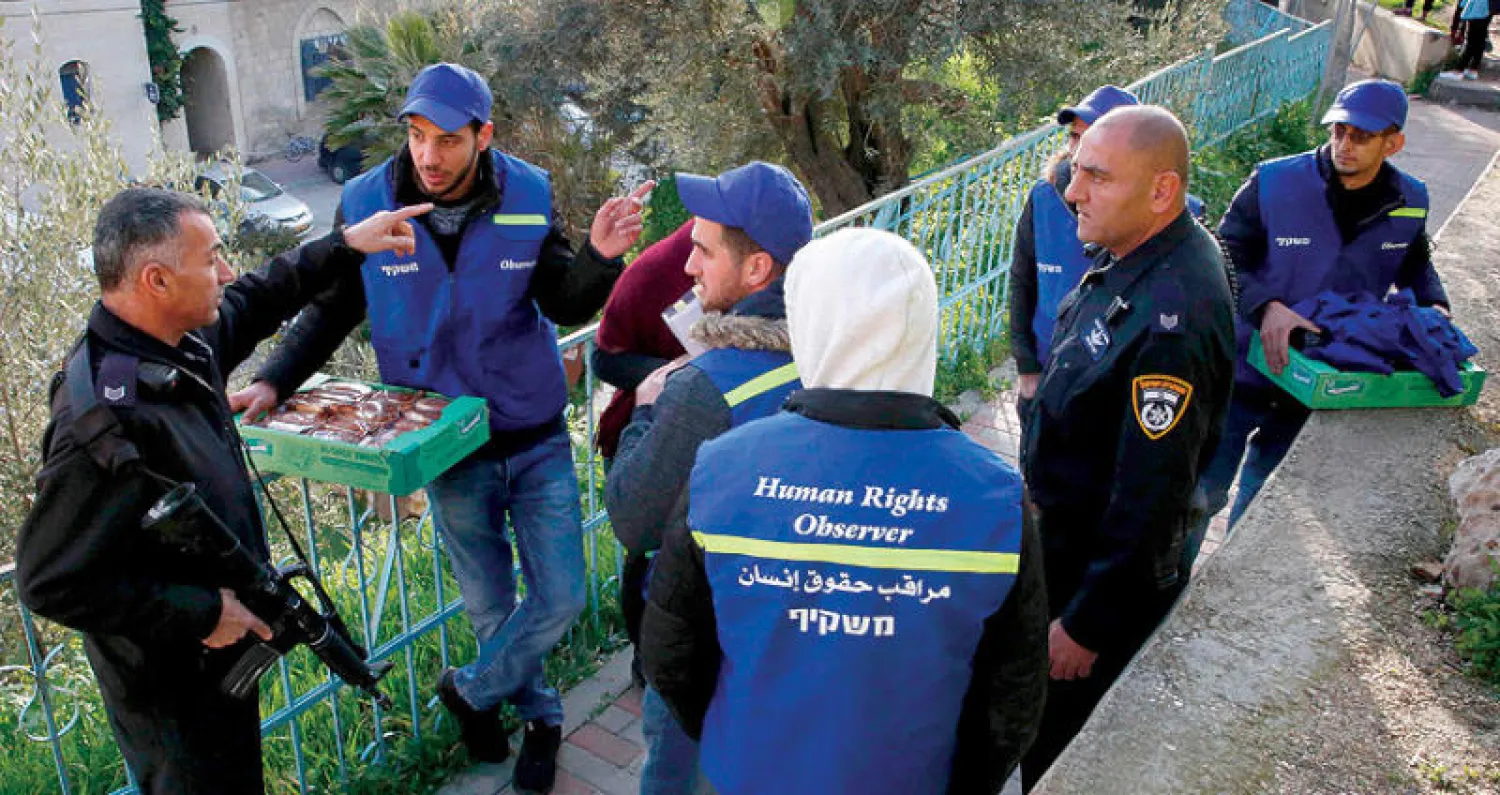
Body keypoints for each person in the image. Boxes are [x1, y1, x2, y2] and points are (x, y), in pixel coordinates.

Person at [228, 62, 652, 792]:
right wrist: (274, 376)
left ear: (484, 137)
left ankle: (472, 691)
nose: (429, 155)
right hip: (448, 445)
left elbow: (562, 299)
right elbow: (332, 307)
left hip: (534, 432)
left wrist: (599, 258)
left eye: (448, 140)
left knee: (561, 597)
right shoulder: (366, 203)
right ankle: (542, 717)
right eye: (418, 136)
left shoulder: (527, 192)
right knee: (490, 603)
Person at [15, 187, 429, 794]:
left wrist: (344, 247)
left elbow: (258, 298)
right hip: (172, 690)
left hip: (218, 659)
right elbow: (49, 579)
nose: (226, 271)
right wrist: (203, 612)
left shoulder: (174, 345)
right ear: (156, 280)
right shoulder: (103, 420)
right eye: (210, 259)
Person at [642, 227, 1049, 795]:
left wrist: (736, 740)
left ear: (809, 322)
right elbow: (1013, 695)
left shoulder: (723, 470)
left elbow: (672, 655)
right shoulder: (995, 500)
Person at [1017, 106, 1235, 790]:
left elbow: (1152, 492)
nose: (1072, 191)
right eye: (1074, 170)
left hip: (1091, 582)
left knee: (1059, 756)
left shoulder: (1174, 314)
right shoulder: (1138, 255)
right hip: (1062, 552)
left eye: (1095, 177)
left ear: (1161, 191)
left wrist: (1085, 624)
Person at [605, 161, 814, 795]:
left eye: (702, 249)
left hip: (703, 643)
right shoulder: (828, 349)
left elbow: (633, 518)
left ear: (756, 270)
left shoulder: (704, 388)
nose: (689, 267)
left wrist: (643, 411)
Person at [1183, 79, 1448, 567]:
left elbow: (1414, 261)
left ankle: (1235, 588)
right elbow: (1223, 251)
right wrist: (1266, 306)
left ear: (1394, 143)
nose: (1345, 144)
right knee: (1201, 496)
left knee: (1263, 497)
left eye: (1361, 136)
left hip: (1320, 379)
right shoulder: (1275, 181)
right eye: (1339, 131)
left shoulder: (1411, 199)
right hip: (1241, 369)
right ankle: (1168, 599)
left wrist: (1435, 304)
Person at [591, 219, 695, 691]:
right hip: (645, 430)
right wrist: (680, 375)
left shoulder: (782, 271)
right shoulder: (652, 273)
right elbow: (605, 358)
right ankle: (642, 658)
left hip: (713, 436)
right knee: (645, 554)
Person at [1010, 85, 1140, 417]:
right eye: (1074, 136)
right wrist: (1026, 365)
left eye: (1092, 137)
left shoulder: (1149, 218)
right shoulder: (1044, 197)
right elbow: (1022, 280)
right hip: (1045, 368)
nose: (1079, 148)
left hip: (1109, 384)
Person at [1445, 0, 1493, 81]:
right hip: (1488, 9)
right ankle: (1473, 70)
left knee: (1472, 40)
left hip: (1479, 7)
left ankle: (1458, 71)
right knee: (1479, 40)